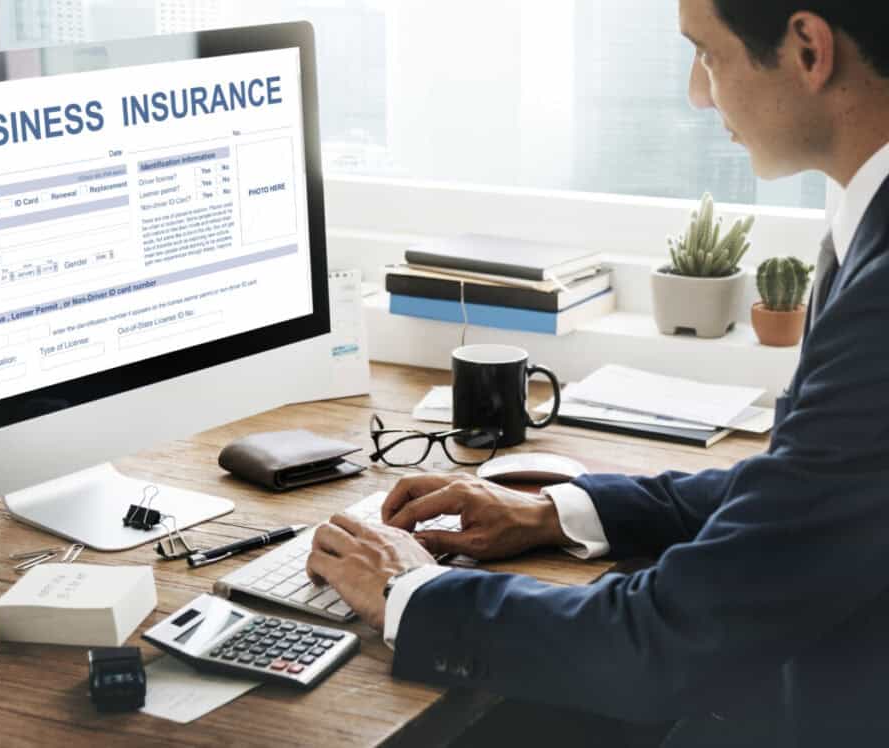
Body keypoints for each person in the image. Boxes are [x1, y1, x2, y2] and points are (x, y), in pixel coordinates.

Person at [306, 1, 889, 745]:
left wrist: (408, 590)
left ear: (808, 50)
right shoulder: (865, 222)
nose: (697, 93)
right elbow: (806, 488)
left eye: (706, 53)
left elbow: (666, 643)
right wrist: (559, 512)